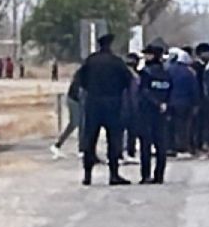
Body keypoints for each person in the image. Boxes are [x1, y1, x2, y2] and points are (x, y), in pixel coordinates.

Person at [76, 33, 133, 186]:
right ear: (110, 45)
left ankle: (87, 175)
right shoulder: (117, 62)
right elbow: (128, 81)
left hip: (93, 103)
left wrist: (92, 91)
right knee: (114, 140)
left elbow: (80, 80)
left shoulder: (90, 61)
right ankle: (113, 175)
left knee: (90, 139)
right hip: (113, 103)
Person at [137, 44, 171, 184]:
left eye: (147, 54)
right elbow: (169, 91)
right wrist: (164, 104)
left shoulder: (146, 72)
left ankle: (146, 175)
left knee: (146, 145)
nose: (145, 57)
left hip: (147, 112)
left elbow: (144, 92)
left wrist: (156, 103)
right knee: (161, 145)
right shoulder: (166, 73)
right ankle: (159, 175)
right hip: (162, 112)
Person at [167, 49, 199, 156]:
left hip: (170, 102)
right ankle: (182, 147)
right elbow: (194, 89)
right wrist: (196, 103)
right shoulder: (189, 72)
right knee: (184, 126)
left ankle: (170, 147)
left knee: (170, 126)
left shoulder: (168, 70)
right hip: (185, 103)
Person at [52, 71, 86, 160]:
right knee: (79, 123)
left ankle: (58, 145)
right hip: (75, 100)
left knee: (74, 124)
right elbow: (79, 90)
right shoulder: (85, 73)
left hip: (76, 99)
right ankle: (81, 150)